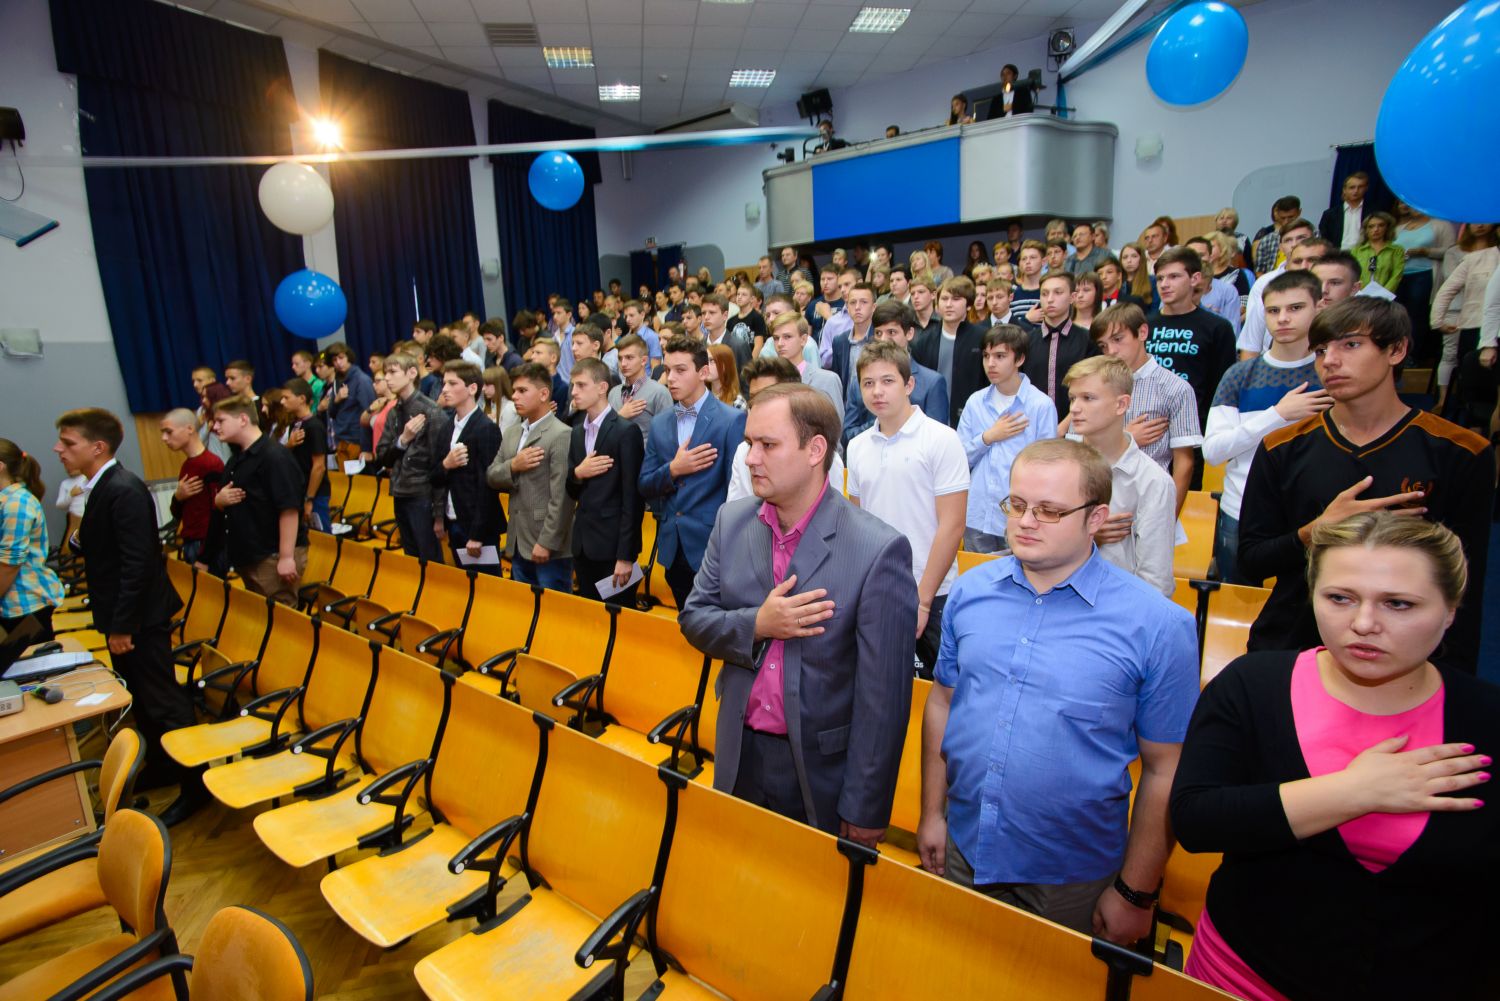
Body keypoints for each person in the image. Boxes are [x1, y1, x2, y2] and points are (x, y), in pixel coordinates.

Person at [1171, 512, 1500, 1001]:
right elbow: (1197, 821)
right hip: (1241, 975)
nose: (1363, 624)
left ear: (1451, 610)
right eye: (1340, 598)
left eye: (1398, 604)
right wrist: (1353, 791)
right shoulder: (1253, 685)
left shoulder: (1486, 718)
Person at [919, 438, 1199, 942]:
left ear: (1096, 518)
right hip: (965, 843)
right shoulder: (970, 592)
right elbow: (942, 703)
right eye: (1017, 505)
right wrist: (931, 814)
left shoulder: (1158, 626)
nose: (1026, 522)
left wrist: (1135, 891)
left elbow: (1166, 769)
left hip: (1072, 876)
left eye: (1049, 511)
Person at [680, 384, 916, 841]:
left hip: (819, 771)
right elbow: (694, 619)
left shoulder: (877, 550)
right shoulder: (732, 522)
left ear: (816, 450)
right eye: (749, 443)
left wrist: (864, 808)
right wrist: (757, 624)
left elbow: (883, 702)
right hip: (739, 752)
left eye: (767, 445)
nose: (750, 458)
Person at [1239, 298, 1494, 674]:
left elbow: (1465, 585)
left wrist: (1452, 679)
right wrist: (1317, 531)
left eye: (1351, 345)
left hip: (1408, 662)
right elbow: (1251, 561)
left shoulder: (1460, 451)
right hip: (1293, 647)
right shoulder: (1282, 447)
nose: (1330, 361)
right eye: (1321, 350)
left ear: (1396, 350)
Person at [54, 410, 202, 826]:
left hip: (138, 620)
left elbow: (138, 564)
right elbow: (102, 544)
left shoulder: (123, 488)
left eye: (69, 443)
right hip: (125, 615)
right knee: (142, 700)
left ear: (97, 447)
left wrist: (122, 626)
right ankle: (165, 765)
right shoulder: (100, 486)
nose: (59, 450)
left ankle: (195, 786)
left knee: (164, 702)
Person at [848, 340, 968, 677]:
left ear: (909, 384)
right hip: (878, 590)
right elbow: (859, 523)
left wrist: (923, 600)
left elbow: (952, 525)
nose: (877, 391)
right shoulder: (856, 447)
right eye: (868, 383)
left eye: (888, 381)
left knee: (939, 689)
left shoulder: (941, 439)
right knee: (881, 686)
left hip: (934, 592)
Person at [1204, 270, 1329, 586]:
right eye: (1273, 310)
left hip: (1315, 515)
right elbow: (1214, 451)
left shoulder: (1332, 372)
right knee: (1237, 604)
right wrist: (1278, 414)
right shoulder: (1239, 375)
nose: (1283, 318)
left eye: (1295, 308)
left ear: (1319, 307)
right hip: (1241, 512)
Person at [640, 336, 747, 608]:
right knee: (685, 624)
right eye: (667, 370)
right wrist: (673, 470)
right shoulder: (660, 423)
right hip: (672, 548)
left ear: (703, 372)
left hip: (712, 549)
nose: (671, 378)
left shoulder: (731, 420)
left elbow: (736, 494)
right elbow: (645, 484)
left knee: (713, 627)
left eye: (680, 370)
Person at [1064, 357, 1176, 595]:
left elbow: (1155, 581)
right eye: (1073, 398)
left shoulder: (1153, 481)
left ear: (1121, 404)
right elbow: (1020, 541)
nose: (1074, 408)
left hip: (1118, 606)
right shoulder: (1056, 468)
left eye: (1088, 398)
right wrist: (1085, 538)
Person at [956, 324, 1058, 554]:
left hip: (1020, 516)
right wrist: (988, 437)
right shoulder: (975, 401)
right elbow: (959, 458)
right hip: (978, 513)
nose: (990, 363)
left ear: (1019, 359)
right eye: (986, 356)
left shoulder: (1040, 405)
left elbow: (1047, 465)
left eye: (1000, 356)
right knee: (977, 572)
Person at [1092, 304, 1200, 513]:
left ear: (1142, 332)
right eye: (1103, 346)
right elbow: (1079, 450)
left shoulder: (1175, 388)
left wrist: (1169, 516)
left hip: (1151, 501)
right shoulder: (1095, 385)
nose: (1111, 351)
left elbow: (1184, 463)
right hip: (1101, 498)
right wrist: (1126, 439)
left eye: (1117, 339)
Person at [210, 396, 308, 605]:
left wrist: (286, 557)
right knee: (262, 617)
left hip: (271, 555)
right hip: (251, 554)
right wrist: (219, 501)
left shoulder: (274, 456)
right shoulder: (238, 457)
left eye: (221, 420)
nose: (215, 427)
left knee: (280, 618)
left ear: (243, 419)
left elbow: (289, 508)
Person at [487, 362, 575, 593]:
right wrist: (513, 466)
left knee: (553, 610)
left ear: (544, 394)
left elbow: (562, 497)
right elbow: (492, 475)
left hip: (548, 545)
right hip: (518, 539)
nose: (514, 396)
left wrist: (547, 542)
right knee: (524, 607)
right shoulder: (512, 432)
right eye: (514, 390)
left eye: (522, 390)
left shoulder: (561, 434)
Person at [567, 358, 645, 604]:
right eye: (573, 385)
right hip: (583, 545)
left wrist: (626, 555)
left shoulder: (625, 431)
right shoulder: (576, 432)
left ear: (602, 388)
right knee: (590, 618)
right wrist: (578, 473)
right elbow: (570, 489)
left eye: (581, 385)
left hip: (613, 548)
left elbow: (633, 498)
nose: (574, 392)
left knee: (618, 618)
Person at [1147, 247, 1237, 438]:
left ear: (1195, 278)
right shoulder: (1145, 325)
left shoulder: (1217, 327)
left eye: (1174, 277)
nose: (1164, 284)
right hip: (1149, 425)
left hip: (1195, 428)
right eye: (1160, 278)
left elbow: (1221, 388)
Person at [370, 353, 447, 562]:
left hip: (422, 495)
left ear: (412, 373)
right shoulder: (394, 412)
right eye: (385, 373)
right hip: (399, 492)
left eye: (392, 372)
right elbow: (382, 456)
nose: (387, 378)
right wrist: (403, 440)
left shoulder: (431, 411)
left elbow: (440, 466)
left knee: (430, 560)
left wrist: (439, 514)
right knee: (411, 559)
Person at [843, 300, 950, 444]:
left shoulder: (931, 382)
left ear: (909, 333)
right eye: (878, 333)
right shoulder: (859, 382)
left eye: (891, 332)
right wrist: (881, 423)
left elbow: (937, 437)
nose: (883, 339)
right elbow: (847, 435)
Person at [432, 361, 504, 573]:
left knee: (487, 586)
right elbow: (434, 476)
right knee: (464, 584)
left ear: (472, 388)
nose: (445, 389)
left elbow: (488, 485)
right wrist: (446, 464)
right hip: (453, 520)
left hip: (477, 526)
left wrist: (477, 534)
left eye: (452, 383)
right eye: (444, 383)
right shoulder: (447, 428)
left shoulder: (486, 428)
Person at [0, 439, 64, 648]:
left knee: (32, 666)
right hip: (12, 604)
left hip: (24, 604)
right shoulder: (6, 500)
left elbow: (9, 564)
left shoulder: (16, 503)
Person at [1023, 271, 1100, 422]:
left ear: (1072, 297)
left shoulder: (1088, 340)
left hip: (1077, 424)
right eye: (1044, 294)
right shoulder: (1026, 341)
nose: (1050, 299)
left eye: (1058, 292)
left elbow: (1093, 389)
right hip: (1032, 425)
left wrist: (1064, 427)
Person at [1237, 218, 1318, 358]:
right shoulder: (1264, 283)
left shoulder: (1327, 282)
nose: (1295, 244)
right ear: (1280, 247)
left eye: (1301, 238)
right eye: (1288, 240)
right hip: (1270, 358)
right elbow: (1251, 341)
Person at [159, 409, 222, 567]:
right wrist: (178, 497)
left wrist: (205, 557)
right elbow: (178, 513)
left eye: (169, 432)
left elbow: (219, 514)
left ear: (190, 429)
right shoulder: (187, 465)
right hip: (190, 541)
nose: (164, 438)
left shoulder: (211, 464)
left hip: (207, 545)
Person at [769, 311, 844, 422]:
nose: (780, 343)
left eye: (787, 337)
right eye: (776, 338)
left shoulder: (827, 380)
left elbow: (836, 425)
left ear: (803, 340)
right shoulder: (769, 381)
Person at [280, 380, 329, 532]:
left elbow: (319, 466)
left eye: (286, 397)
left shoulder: (314, 426)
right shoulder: (294, 424)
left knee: (321, 536)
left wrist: (309, 498)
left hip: (315, 494)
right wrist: (288, 446)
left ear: (301, 398)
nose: (282, 402)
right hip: (299, 490)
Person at [325, 342, 375, 461]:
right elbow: (331, 413)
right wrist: (336, 400)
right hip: (341, 440)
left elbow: (369, 414)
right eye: (334, 360)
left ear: (348, 357)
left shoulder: (362, 380)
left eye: (341, 357)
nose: (338, 362)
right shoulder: (337, 380)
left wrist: (366, 448)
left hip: (357, 442)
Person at [1350, 212, 1405, 294]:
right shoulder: (1356, 250)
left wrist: (1383, 294)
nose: (1376, 229)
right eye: (1371, 226)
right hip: (1359, 295)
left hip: (1385, 296)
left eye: (1381, 225)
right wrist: (1359, 293)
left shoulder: (1396, 250)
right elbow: (1351, 274)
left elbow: (1397, 275)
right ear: (1366, 230)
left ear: (1387, 228)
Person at [1317, 170, 1369, 251]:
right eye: (1352, 187)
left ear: (1366, 188)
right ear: (1344, 190)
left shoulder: (1373, 211)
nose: (1356, 191)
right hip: (1338, 254)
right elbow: (1324, 239)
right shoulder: (1330, 214)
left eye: (1360, 187)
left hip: (1364, 253)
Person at [1250, 195, 1302, 275]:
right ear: (1277, 216)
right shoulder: (1267, 240)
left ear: (1299, 212)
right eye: (1283, 218)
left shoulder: (1313, 235)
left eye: (1291, 217)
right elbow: (1259, 271)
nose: (1286, 221)